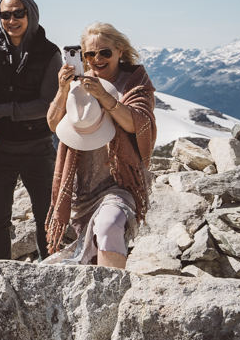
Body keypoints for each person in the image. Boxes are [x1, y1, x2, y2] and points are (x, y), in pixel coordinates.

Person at [45, 23, 157, 269]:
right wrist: (63, 90)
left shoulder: (134, 85)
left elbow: (138, 123)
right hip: (80, 186)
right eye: (90, 54)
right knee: (90, 250)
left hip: (120, 183)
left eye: (104, 52)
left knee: (109, 225)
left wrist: (105, 97)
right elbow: (53, 123)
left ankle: (111, 292)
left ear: (119, 51)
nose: (97, 59)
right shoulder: (78, 84)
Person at [0, 0, 60, 260]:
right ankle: (2, 272)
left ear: (31, 14)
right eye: (5, 14)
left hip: (37, 148)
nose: (11, 20)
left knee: (45, 216)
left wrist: (0, 111)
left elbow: (47, 103)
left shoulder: (50, 53)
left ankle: (49, 270)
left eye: (18, 13)